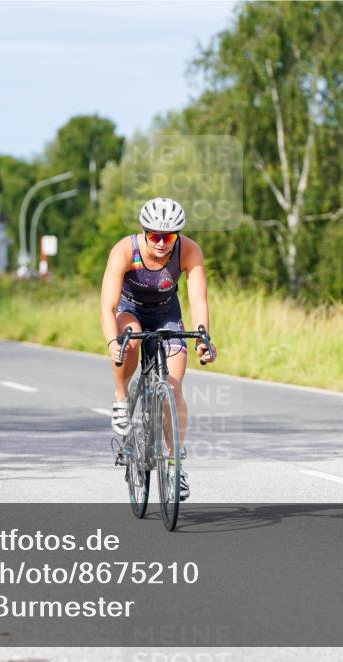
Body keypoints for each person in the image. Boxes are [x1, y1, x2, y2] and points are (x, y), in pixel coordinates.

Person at [99, 197, 217, 500]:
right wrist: (114, 342)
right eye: (155, 236)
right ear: (143, 230)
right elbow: (107, 304)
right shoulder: (125, 250)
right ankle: (121, 395)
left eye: (170, 236)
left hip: (167, 314)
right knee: (132, 337)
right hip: (130, 310)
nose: (162, 243)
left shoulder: (188, 250)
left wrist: (203, 338)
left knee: (174, 390)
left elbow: (199, 300)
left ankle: (175, 467)